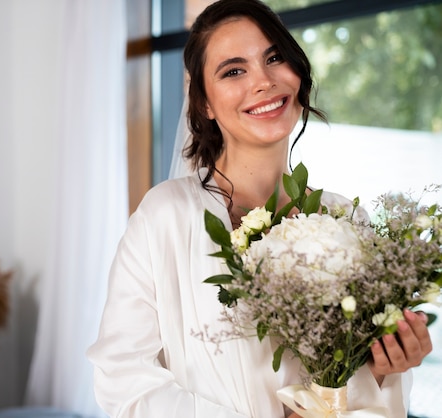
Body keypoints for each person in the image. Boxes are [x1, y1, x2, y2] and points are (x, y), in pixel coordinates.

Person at [87, 1, 433, 417]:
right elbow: (122, 380)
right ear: (205, 104)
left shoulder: (348, 220)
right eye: (234, 71)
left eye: (274, 58)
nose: (264, 81)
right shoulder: (165, 216)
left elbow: (366, 392)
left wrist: (383, 367)